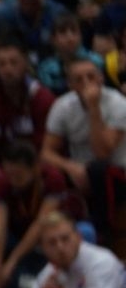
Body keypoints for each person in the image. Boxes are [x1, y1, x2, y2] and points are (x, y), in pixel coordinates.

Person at [0, 138, 91, 288]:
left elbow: (40, 225)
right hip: (15, 234)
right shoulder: (3, 181)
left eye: (18, 176)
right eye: (9, 175)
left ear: (35, 168)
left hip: (47, 236)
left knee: (86, 232)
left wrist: (12, 261)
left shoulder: (52, 178)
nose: (12, 181)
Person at [43, 55, 126, 236]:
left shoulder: (118, 104)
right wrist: (70, 166)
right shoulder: (62, 106)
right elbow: (46, 152)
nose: (86, 83)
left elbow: (102, 152)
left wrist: (94, 108)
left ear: (101, 78)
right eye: (79, 80)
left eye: (91, 76)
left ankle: (103, 230)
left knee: (98, 169)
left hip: (117, 171)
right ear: (70, 85)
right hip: (80, 170)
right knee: (51, 172)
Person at [6, 210, 126, 288]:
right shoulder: (51, 269)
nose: (60, 247)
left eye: (65, 239)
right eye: (52, 243)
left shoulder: (101, 262)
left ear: (79, 237)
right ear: (43, 248)